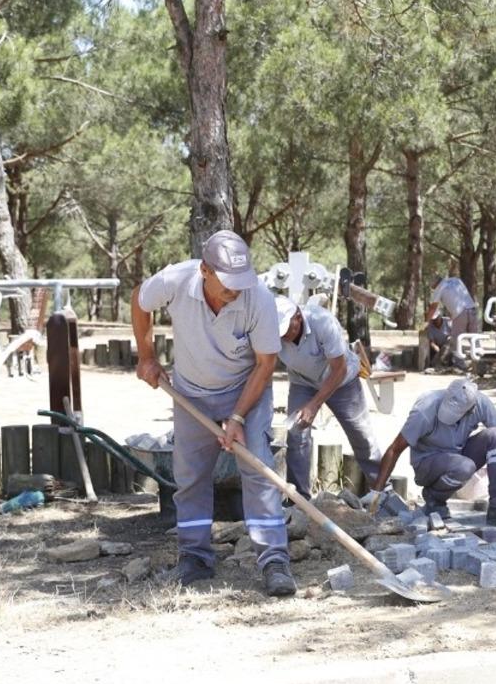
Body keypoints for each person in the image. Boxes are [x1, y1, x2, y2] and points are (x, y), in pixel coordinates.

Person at [131, 230, 296, 598]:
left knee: (258, 468)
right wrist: (146, 356)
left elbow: (266, 364)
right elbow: (140, 300)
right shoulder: (175, 280)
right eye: (228, 282)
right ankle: (195, 557)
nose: (236, 290)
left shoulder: (259, 299)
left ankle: (274, 560)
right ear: (205, 271)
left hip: (246, 389)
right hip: (192, 392)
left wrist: (237, 418)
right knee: (190, 475)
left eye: (241, 280)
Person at [364, 378, 496, 527]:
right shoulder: (425, 409)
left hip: (457, 456)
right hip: (427, 463)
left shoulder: (481, 403)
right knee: (464, 466)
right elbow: (395, 449)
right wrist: (377, 490)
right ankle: (434, 499)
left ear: (470, 409)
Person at [274, 295, 383, 499]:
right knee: (297, 436)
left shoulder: (323, 322)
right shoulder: (273, 331)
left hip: (342, 381)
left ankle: (381, 492)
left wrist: (314, 405)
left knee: (361, 434)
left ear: (298, 316)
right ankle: (299, 500)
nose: (285, 336)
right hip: (302, 381)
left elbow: (339, 369)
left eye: (288, 329)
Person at [425, 274, 478, 369]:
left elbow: (433, 308)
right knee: (474, 338)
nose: (433, 289)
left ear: (435, 284)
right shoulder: (455, 280)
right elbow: (457, 296)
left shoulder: (439, 288)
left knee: (456, 339)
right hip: (471, 308)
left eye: (432, 287)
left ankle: (459, 364)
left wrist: (426, 322)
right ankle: (479, 362)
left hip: (460, 313)